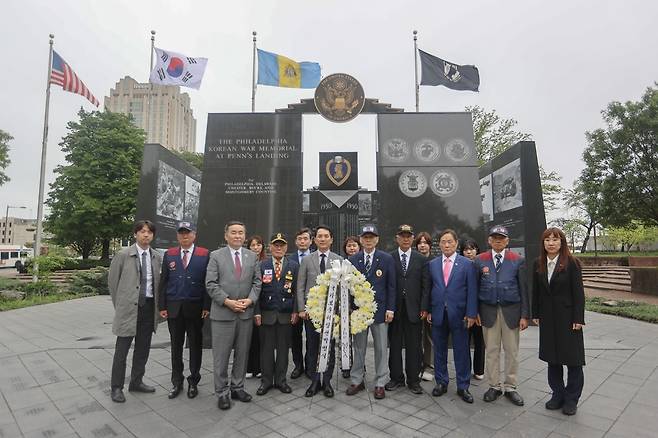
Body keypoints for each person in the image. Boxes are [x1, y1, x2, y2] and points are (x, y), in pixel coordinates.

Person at [206, 221, 262, 410]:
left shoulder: (252, 256)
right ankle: (221, 392)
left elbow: (257, 283)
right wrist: (228, 301)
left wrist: (249, 301)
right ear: (226, 235)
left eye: (241, 233)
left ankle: (237, 387)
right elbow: (211, 284)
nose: (237, 236)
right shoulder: (215, 256)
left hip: (245, 314)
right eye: (233, 232)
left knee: (242, 354)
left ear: (245, 236)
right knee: (221, 357)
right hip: (223, 314)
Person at [532, 227, 585, 416]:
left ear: (561, 242)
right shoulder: (538, 263)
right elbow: (536, 292)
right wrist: (535, 313)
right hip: (548, 319)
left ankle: (571, 399)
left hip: (568, 319)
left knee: (573, 360)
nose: (551, 243)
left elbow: (578, 293)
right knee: (552, 359)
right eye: (547, 240)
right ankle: (557, 395)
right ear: (543, 243)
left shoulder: (572, 263)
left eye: (555, 239)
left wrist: (579, 318)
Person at [108, 220, 163, 403]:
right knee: (121, 350)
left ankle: (137, 381)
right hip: (129, 309)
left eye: (149, 232)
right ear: (135, 234)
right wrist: (121, 306)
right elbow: (113, 283)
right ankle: (116, 387)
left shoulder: (156, 256)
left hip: (148, 308)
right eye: (142, 231)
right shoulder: (124, 254)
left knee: (142, 349)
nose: (146, 235)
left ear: (153, 235)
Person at [474, 226, 528, 406]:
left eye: (501, 238)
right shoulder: (480, 260)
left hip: (511, 312)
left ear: (507, 241)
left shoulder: (517, 260)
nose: (498, 240)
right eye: (494, 238)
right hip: (488, 312)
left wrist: (524, 315)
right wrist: (475, 312)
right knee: (491, 351)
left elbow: (523, 289)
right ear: (489, 241)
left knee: (512, 351)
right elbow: (474, 289)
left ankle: (511, 386)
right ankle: (494, 386)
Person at [158, 221, 210, 400]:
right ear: (177, 236)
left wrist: (206, 306)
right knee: (175, 347)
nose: (184, 236)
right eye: (181, 233)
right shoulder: (170, 254)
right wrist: (162, 306)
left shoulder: (204, 254)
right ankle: (177, 381)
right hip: (174, 308)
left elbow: (207, 283)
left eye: (188, 233)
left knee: (195, 346)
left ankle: (193, 381)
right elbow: (164, 281)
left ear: (194, 235)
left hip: (195, 307)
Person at [425, 229, 477, 403]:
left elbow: (472, 291)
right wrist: (430, 310)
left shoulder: (467, 264)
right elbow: (430, 290)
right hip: (438, 313)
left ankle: (463, 386)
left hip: (460, 314)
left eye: (450, 242)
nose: (446, 245)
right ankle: (441, 382)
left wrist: (471, 313)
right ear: (439, 244)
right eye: (443, 242)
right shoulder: (432, 264)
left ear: (456, 243)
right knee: (439, 350)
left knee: (462, 351)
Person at [346, 224, 396, 400]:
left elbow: (391, 286)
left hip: (380, 311)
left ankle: (380, 382)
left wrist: (390, 308)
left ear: (377, 239)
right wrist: (351, 308)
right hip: (359, 312)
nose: (368, 240)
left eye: (371, 237)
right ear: (361, 240)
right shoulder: (353, 260)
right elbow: (349, 287)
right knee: (358, 347)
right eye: (365, 237)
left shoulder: (386, 258)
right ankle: (357, 380)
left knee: (381, 347)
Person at [297, 225, 342, 397]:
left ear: (331, 239)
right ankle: (315, 381)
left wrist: (338, 310)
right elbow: (300, 286)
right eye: (319, 236)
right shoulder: (307, 260)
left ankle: (327, 381)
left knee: (329, 347)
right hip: (311, 313)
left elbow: (341, 288)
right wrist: (302, 308)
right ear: (314, 240)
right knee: (313, 346)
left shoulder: (338, 260)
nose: (322, 239)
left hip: (331, 313)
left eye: (326, 236)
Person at [385, 224, 429, 395]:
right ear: (397, 238)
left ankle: (413, 380)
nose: (405, 239)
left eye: (408, 236)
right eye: (402, 236)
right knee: (394, 344)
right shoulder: (390, 258)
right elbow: (387, 284)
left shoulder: (421, 259)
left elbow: (426, 286)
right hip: (394, 309)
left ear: (412, 238)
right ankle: (396, 378)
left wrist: (424, 308)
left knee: (414, 346)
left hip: (414, 309)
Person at [254, 233, 299, 395]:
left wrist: (295, 311)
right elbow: (256, 291)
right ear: (270, 247)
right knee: (266, 350)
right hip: (266, 314)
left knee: (282, 350)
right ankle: (266, 381)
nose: (279, 248)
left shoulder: (293, 266)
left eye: (282, 245)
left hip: (285, 315)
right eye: (276, 245)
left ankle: (280, 381)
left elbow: (296, 291)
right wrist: (257, 313)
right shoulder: (261, 265)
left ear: (286, 247)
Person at [288, 228, 313, 379]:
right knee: (295, 337)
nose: (302, 241)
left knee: (311, 337)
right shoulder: (289, 259)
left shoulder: (316, 258)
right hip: (293, 307)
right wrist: (295, 308)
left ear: (311, 241)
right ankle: (298, 366)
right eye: (300, 239)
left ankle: (310, 365)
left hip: (312, 306)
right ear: (296, 241)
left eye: (305, 238)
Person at [461, 239, 485, 381]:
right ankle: (465, 369)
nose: (469, 252)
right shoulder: (460, 266)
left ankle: (479, 369)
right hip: (464, 310)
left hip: (480, 311)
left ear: (477, 250)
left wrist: (478, 310)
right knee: (464, 342)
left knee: (479, 342)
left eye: (472, 248)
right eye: (465, 249)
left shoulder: (482, 266)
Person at [340, 235, 361, 378]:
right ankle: (346, 365)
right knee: (344, 337)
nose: (352, 248)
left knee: (359, 339)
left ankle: (360, 364)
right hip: (344, 306)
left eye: (354, 245)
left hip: (360, 307)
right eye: (349, 246)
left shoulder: (363, 262)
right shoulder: (340, 264)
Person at [415, 231, 434, 382]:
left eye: (425, 243)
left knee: (429, 337)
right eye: (420, 243)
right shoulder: (414, 261)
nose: (422, 245)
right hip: (415, 305)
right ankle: (417, 364)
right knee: (416, 336)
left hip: (431, 306)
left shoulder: (435, 262)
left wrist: (429, 309)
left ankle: (429, 365)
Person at [246, 235, 266, 379]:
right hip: (248, 303)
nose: (256, 247)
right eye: (253, 245)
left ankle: (259, 367)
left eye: (258, 245)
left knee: (260, 339)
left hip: (263, 305)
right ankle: (248, 367)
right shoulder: (245, 262)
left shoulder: (266, 263)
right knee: (247, 338)